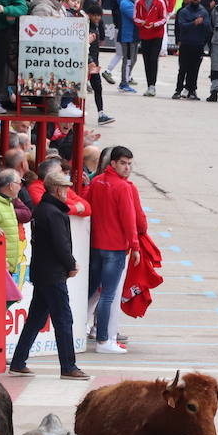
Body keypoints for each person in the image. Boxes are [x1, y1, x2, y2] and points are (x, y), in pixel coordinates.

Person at [9, 168, 90, 380]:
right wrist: (70, 264)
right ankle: (68, 366)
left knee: (36, 319)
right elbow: (60, 244)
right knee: (63, 319)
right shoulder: (53, 212)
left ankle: (18, 361)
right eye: (65, 187)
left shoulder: (43, 209)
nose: (67, 191)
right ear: (56, 190)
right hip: (53, 273)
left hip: (43, 271)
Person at [84, 147, 143, 353]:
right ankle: (103, 340)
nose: (127, 167)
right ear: (113, 164)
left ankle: (77, 331)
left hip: (96, 246)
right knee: (108, 295)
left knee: (90, 291)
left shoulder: (97, 181)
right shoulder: (123, 187)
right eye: (123, 163)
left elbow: (86, 204)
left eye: (129, 164)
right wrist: (134, 246)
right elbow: (130, 219)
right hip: (115, 247)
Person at [172, 0, 211, 100]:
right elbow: (182, 26)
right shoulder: (184, 11)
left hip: (198, 45)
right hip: (185, 44)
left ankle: (192, 90)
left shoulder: (204, 12)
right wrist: (194, 23)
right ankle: (178, 90)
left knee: (194, 69)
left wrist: (203, 40)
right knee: (183, 68)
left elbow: (207, 27)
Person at [133, 0, 168, 96]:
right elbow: (135, 17)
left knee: (153, 59)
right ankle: (149, 85)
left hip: (157, 34)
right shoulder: (138, 2)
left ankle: (152, 85)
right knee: (146, 61)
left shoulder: (160, 2)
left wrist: (154, 24)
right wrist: (142, 23)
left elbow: (164, 18)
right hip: (144, 34)